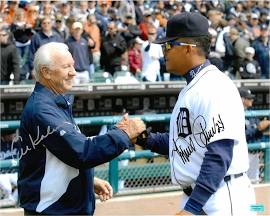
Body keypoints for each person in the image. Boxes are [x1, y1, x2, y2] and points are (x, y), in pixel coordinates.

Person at [131, 12, 256, 215]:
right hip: (201, 195)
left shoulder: (214, 86)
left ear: (189, 47)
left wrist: (193, 207)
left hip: (221, 196)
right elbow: (184, 143)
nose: (164, 52)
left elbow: (220, 154)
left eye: (168, 45)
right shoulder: (194, 87)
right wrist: (142, 138)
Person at [17, 42, 145, 215]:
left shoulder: (56, 103)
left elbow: (62, 154)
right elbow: (82, 152)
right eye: (66, 67)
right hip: (52, 211)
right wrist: (124, 134)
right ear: (46, 72)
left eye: (73, 65)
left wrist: (86, 179)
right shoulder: (42, 109)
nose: (73, 72)